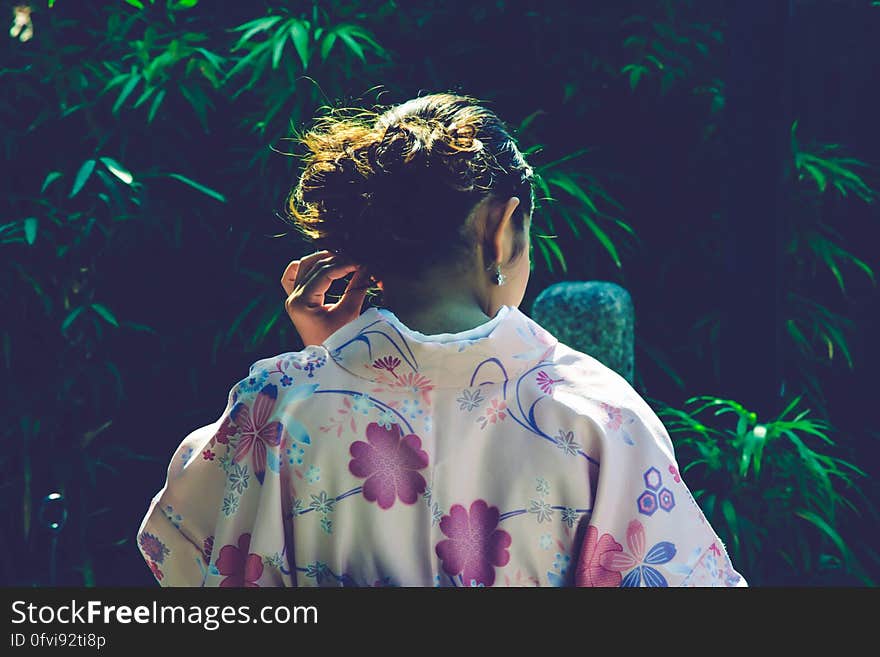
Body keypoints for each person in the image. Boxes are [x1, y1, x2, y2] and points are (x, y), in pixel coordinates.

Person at [137, 92, 746, 587]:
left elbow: (184, 550)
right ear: (502, 230)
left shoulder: (277, 402)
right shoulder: (598, 414)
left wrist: (333, 367)